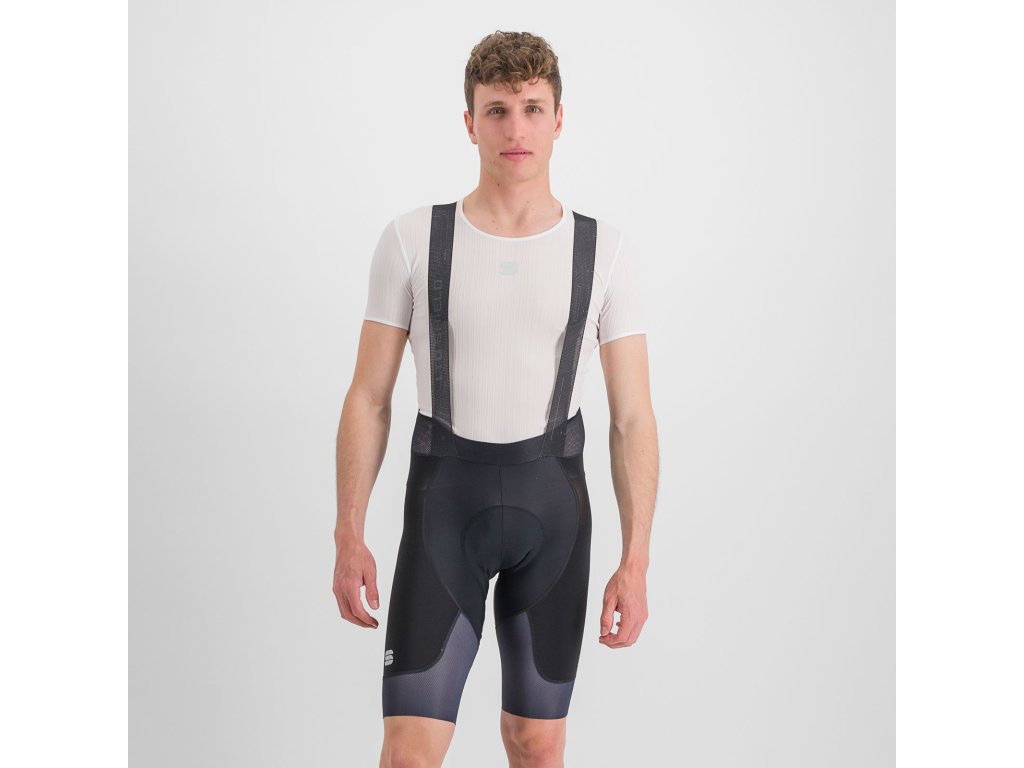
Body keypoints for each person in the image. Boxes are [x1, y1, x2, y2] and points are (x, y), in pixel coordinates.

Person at [333, 30, 659, 768]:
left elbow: (633, 418)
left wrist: (635, 560)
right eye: (498, 110)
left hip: (555, 515)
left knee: (537, 745)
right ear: (470, 121)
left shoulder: (604, 251)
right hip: (444, 509)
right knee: (409, 752)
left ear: (559, 119)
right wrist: (348, 532)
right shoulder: (413, 240)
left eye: (533, 109)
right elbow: (368, 396)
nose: (516, 129)